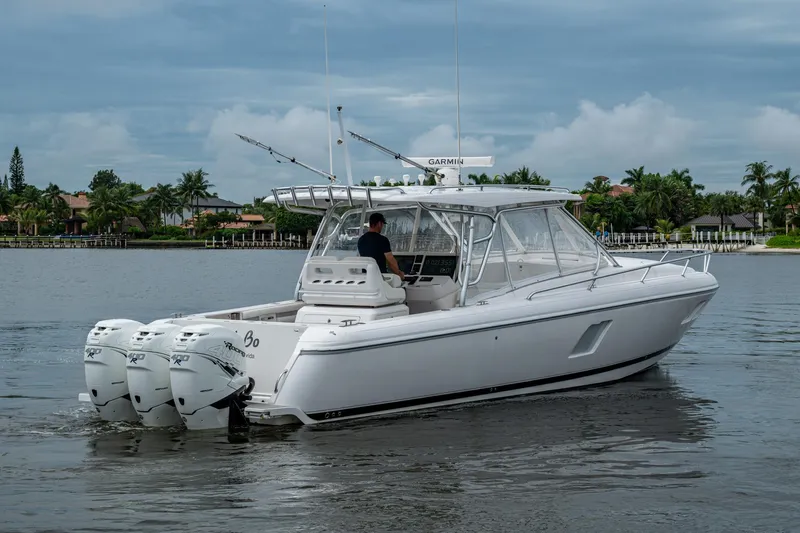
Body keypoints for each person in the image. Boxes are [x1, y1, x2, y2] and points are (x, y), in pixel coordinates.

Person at [357, 212, 405, 281]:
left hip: (366, 278)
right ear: (379, 223)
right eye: (382, 224)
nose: (382, 227)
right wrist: (399, 273)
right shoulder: (383, 240)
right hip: (380, 278)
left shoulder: (361, 240)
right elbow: (390, 261)